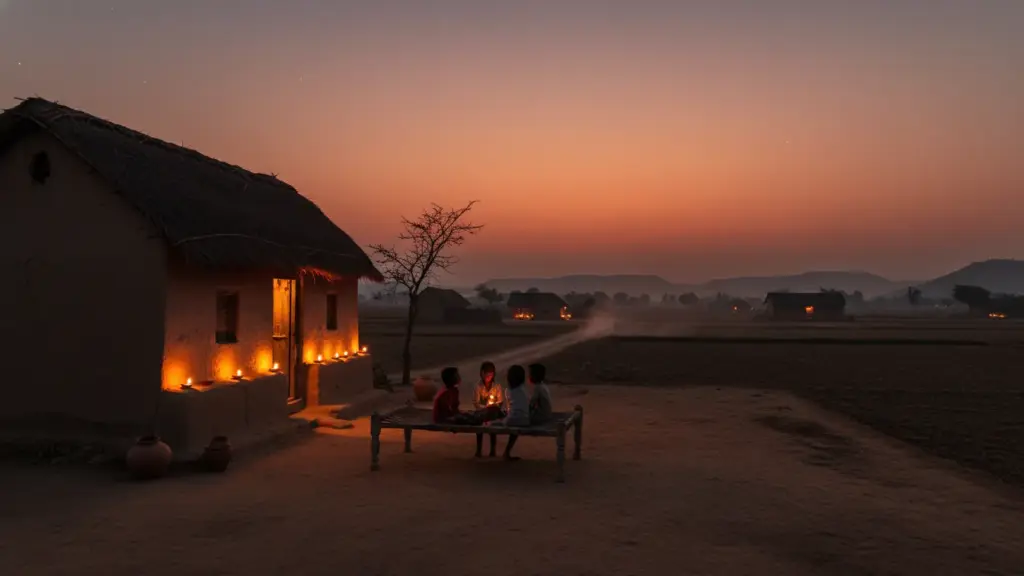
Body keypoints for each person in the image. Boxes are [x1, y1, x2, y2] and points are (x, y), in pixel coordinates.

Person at [488, 364, 530, 460]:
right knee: (514, 430)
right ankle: (507, 452)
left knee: (492, 424)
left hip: (513, 419)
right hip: (525, 420)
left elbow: (510, 409)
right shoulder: (523, 390)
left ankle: (492, 450)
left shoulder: (508, 391)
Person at [473, 361, 504, 458]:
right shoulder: (478, 386)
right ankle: (479, 449)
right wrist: (485, 407)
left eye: (490, 375)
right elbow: (476, 402)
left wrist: (493, 405)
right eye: (486, 375)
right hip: (482, 412)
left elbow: (500, 401)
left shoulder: (497, 386)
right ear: (481, 374)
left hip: (493, 412)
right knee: (479, 425)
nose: (488, 378)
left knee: (493, 425)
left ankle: (493, 450)